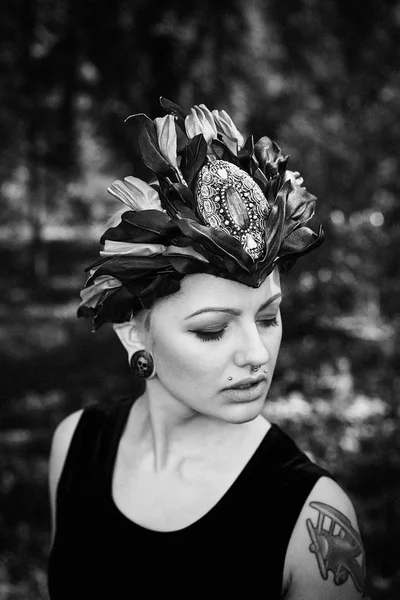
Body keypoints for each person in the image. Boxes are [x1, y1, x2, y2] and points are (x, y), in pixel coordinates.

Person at [47, 99, 366, 599]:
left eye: (268, 317)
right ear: (134, 333)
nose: (257, 354)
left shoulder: (312, 519)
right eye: (213, 330)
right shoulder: (75, 448)